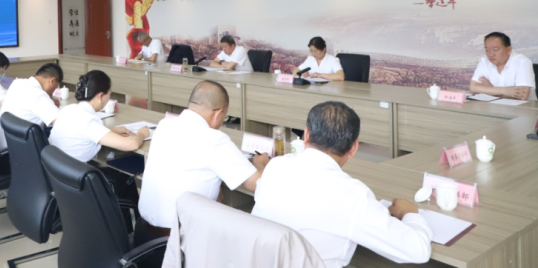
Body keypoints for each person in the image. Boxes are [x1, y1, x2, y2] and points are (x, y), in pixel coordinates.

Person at [252, 101, 432, 268]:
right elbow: (418, 251)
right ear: (354, 148)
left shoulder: (276, 166)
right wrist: (411, 214)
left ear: (306, 135)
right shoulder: (352, 194)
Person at [138, 80, 268, 238]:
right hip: (180, 241)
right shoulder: (215, 139)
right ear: (218, 114)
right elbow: (257, 185)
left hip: (143, 233)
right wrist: (260, 165)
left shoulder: (164, 125)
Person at [50, 70, 150, 162]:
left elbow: (81, 129)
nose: (109, 98)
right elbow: (132, 144)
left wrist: (113, 129)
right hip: (73, 173)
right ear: (101, 96)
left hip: (55, 169)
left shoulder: (69, 109)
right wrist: (141, 134)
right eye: (109, 94)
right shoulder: (89, 121)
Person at [0, 62, 62, 150]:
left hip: (1, 147)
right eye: (55, 88)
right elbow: (61, 123)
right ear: (52, 81)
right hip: (17, 151)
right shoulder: (39, 95)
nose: (53, 92)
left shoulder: (17, 83)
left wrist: (49, 99)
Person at [470, 32, 535, 100]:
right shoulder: (485, 62)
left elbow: (522, 96)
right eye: (487, 50)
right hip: (493, 105)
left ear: (508, 50)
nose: (491, 54)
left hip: (523, 106)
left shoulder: (522, 62)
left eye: (495, 50)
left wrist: (490, 90)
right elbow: (473, 88)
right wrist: (504, 91)